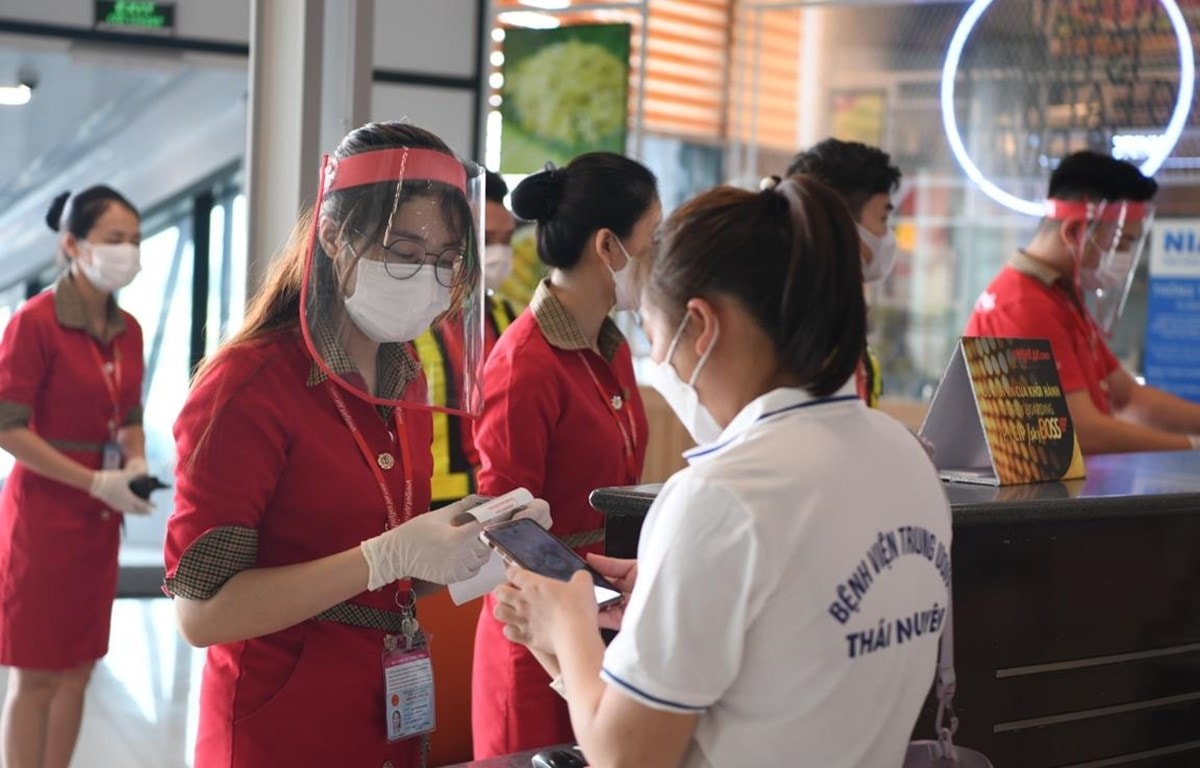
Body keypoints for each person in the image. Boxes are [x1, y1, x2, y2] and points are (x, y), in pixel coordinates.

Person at [492, 175, 953, 767]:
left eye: (657, 338)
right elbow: (794, 640)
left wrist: (569, 627)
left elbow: (625, 759)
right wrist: (671, 586)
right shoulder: (906, 459)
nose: (658, 360)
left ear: (701, 327)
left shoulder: (721, 498)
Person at [163, 122, 549, 767]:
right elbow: (203, 615)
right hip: (282, 724)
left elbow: (397, 563)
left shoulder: (406, 374)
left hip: (384, 713)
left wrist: (477, 547)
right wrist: (382, 556)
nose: (427, 276)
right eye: (406, 250)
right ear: (337, 237)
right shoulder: (249, 384)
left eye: (445, 259)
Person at [471, 153, 658, 758]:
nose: (661, 260)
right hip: (537, 636)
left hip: (604, 621)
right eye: (652, 240)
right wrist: (566, 636)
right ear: (607, 246)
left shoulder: (613, 347)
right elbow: (506, 528)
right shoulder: (525, 363)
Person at [0, 186, 150, 768]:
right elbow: (8, 426)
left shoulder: (129, 329)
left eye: (135, 240)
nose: (128, 251)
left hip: (97, 522)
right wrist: (91, 481)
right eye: (115, 240)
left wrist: (133, 464)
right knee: (35, 675)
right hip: (43, 518)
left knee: (78, 672)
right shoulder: (34, 322)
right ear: (72, 244)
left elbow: (129, 413)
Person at [966, 150, 1200, 454]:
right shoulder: (1022, 305)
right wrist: (1190, 446)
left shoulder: (1059, 296)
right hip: (1038, 499)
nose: (1127, 256)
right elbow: (1080, 431)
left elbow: (1127, 397)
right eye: (1124, 242)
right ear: (1076, 231)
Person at [416, 170, 521, 504]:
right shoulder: (409, 320)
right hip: (421, 507)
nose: (500, 253)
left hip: (495, 502)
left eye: (507, 240)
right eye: (488, 239)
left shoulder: (510, 318)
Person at [787, 138, 903, 407]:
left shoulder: (839, 310)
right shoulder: (799, 322)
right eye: (883, 219)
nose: (888, 236)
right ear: (839, 221)